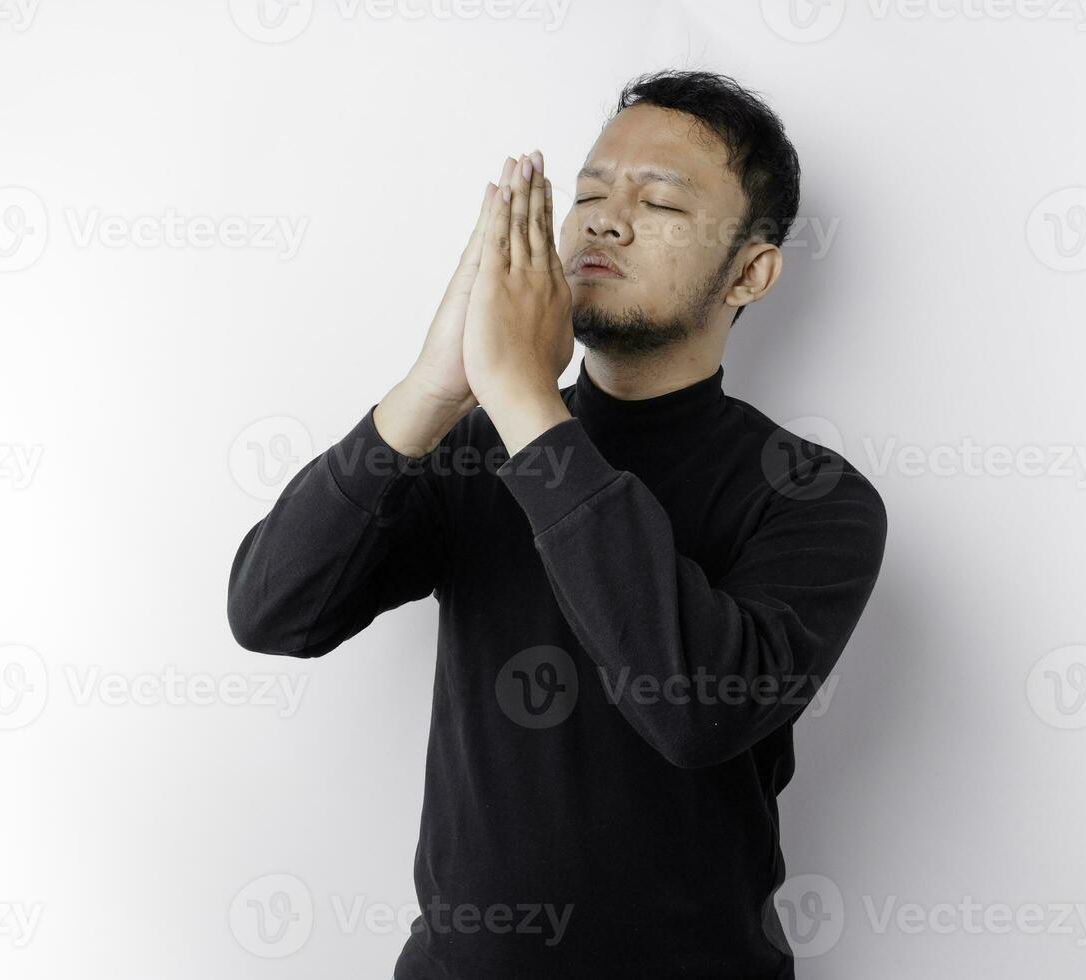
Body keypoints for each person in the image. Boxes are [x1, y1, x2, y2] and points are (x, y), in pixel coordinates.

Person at [228, 70, 887, 979]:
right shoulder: (470, 449)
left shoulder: (813, 497)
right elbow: (272, 612)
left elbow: (691, 707)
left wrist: (525, 402)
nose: (603, 221)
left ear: (751, 271)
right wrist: (435, 386)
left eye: (656, 202)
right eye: (586, 194)